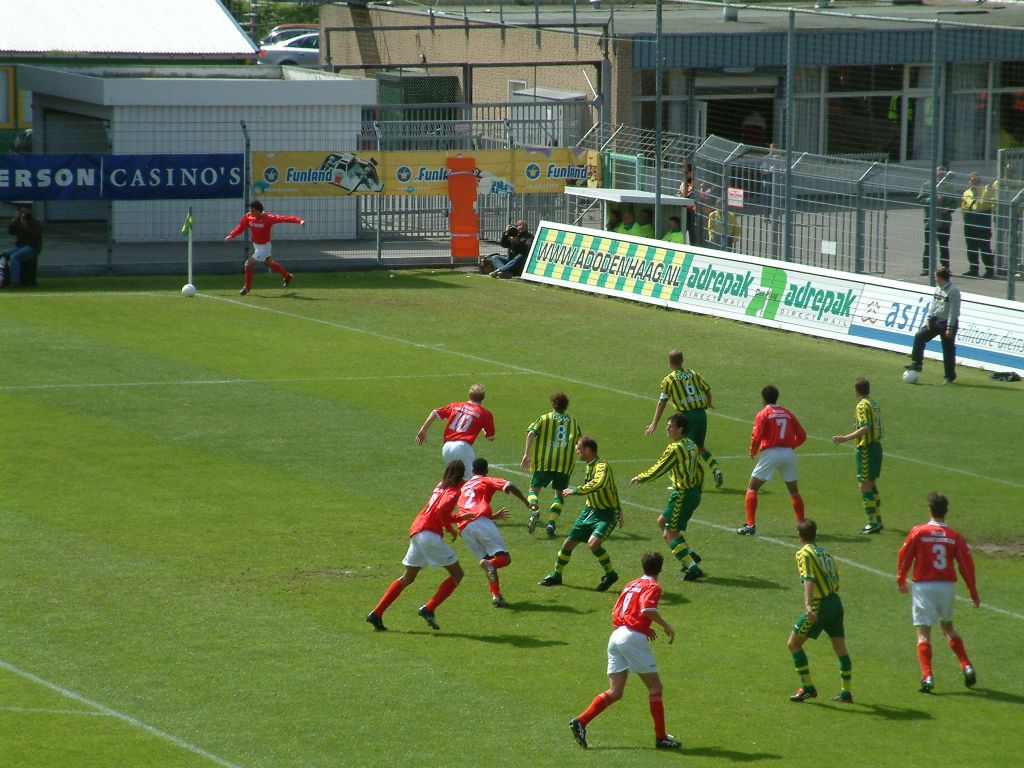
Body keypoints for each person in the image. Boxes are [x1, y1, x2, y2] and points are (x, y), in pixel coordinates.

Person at [569, 552, 681, 751]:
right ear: (661, 568)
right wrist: (666, 626)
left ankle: (581, 721)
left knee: (615, 691)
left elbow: (620, 610)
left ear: (642, 566)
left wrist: (642, 626)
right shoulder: (653, 586)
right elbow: (647, 609)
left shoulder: (632, 584)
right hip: (632, 638)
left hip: (617, 635)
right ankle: (661, 737)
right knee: (655, 688)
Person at [366, 460, 466, 632]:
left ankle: (377, 613)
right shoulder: (454, 491)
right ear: (461, 475)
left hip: (417, 530)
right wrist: (450, 529)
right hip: (429, 534)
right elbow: (442, 510)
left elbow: (439, 511)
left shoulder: (440, 486)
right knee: (457, 574)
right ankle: (429, 608)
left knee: (408, 577)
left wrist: (458, 518)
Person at [897, 492, 980, 694]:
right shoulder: (954, 537)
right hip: (947, 586)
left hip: (924, 586)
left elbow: (905, 554)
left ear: (929, 510)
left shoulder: (919, 531)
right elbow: (966, 566)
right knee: (948, 628)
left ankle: (927, 677)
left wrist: (901, 578)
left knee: (923, 633)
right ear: (946, 511)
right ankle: (966, 665)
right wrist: (973, 592)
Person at [539, 436, 622, 592]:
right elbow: (613, 488)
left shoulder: (602, 467)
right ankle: (556, 575)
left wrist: (576, 490)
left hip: (606, 514)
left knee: (593, 543)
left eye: (579, 449)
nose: (577, 452)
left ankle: (611, 575)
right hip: (589, 511)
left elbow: (599, 484)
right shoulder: (590, 466)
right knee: (568, 544)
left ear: (588, 450)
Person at [631, 413, 705, 582]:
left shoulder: (675, 448)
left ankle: (693, 568)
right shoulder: (691, 444)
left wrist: (641, 477)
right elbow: (699, 469)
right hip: (692, 492)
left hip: (683, 493)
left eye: (671, 426)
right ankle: (691, 555)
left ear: (680, 429)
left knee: (669, 534)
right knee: (661, 521)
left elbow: (660, 468)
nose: (667, 428)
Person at [787, 519, 853, 704]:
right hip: (836, 602)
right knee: (840, 648)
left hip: (820, 605)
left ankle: (808, 688)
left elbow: (808, 578)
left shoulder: (803, 554)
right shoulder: (825, 553)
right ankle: (846, 692)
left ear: (799, 535)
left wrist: (808, 604)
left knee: (794, 644)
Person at [455, 458, 531, 608]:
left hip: (464, 528)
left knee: (488, 563)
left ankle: (496, 596)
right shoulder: (486, 480)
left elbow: (470, 506)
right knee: (504, 558)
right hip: (480, 522)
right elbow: (510, 486)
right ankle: (490, 565)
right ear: (486, 470)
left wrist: (493, 516)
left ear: (473, 470)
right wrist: (526, 502)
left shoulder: (464, 486)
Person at [645, 349, 723, 488]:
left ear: (670, 363)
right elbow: (707, 390)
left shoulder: (669, 380)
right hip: (701, 414)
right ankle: (716, 469)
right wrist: (709, 403)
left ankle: (686, 482)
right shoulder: (693, 374)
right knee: (699, 447)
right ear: (682, 361)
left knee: (684, 449)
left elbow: (662, 402)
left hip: (687, 418)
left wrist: (654, 423)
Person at [737, 385, 807, 536]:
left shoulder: (763, 414)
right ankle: (802, 526)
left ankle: (750, 525)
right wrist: (790, 445)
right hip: (788, 453)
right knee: (794, 491)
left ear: (763, 399)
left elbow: (757, 435)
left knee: (752, 488)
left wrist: (753, 451)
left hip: (770, 453)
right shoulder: (787, 413)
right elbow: (802, 435)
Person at [521, 391, 582, 537]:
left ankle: (535, 509)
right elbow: (579, 442)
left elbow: (531, 433)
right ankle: (551, 524)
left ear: (553, 404)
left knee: (533, 490)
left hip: (545, 462)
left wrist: (526, 454)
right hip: (565, 463)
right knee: (559, 494)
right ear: (566, 406)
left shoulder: (544, 418)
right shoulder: (573, 421)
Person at [831, 378, 884, 535]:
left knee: (864, 486)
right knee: (872, 484)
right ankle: (878, 520)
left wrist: (845, 438)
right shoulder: (874, 404)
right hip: (877, 447)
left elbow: (866, 427)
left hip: (866, 449)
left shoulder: (862, 405)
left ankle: (872, 523)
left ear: (856, 390)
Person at [416, 383, 495, 480]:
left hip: (446, 447)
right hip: (463, 447)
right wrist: (482, 429)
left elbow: (435, 412)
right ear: (483, 398)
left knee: (454, 480)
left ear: (469, 395)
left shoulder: (456, 405)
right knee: (473, 481)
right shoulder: (485, 413)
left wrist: (423, 430)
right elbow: (491, 437)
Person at [224, 200, 304, 296]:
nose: (251, 213)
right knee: (269, 262)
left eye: (253, 211)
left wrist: (299, 221)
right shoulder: (249, 217)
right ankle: (287, 276)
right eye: (250, 210)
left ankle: (246, 288)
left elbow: (284, 218)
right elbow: (241, 227)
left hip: (264, 247)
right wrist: (231, 235)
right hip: (257, 246)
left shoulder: (268, 218)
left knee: (248, 264)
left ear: (259, 211)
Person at [904, 266, 961, 384]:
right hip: (936, 321)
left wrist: (950, 328)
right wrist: (929, 318)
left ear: (941, 278)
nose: (935, 279)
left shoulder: (953, 291)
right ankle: (916, 364)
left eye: (936, 277)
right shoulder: (937, 289)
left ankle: (949, 377)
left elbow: (953, 311)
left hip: (947, 324)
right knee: (919, 336)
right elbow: (933, 305)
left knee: (948, 350)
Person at [916, 166, 955, 276]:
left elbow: (955, 202)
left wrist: (949, 208)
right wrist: (932, 199)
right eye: (938, 174)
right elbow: (921, 199)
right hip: (931, 221)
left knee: (944, 245)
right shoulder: (927, 185)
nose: (939, 176)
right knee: (928, 245)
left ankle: (945, 269)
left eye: (941, 174)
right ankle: (926, 267)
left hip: (944, 221)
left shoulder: (949, 187)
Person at [960, 172, 995, 279]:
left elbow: (986, 205)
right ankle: (973, 270)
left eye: (977, 181)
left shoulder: (985, 191)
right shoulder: (967, 192)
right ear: (969, 181)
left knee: (985, 249)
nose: (975, 183)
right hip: (969, 225)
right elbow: (965, 206)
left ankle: (989, 271)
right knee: (971, 249)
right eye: (972, 180)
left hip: (982, 225)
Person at [2, 202, 43, 289]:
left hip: (32, 247)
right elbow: (11, 232)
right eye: (20, 212)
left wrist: (24, 226)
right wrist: (13, 221)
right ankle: (4, 279)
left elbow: (33, 236)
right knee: (3, 255)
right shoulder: (18, 221)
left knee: (15, 257)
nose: (22, 214)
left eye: (24, 212)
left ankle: (15, 282)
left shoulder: (35, 222)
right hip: (20, 246)